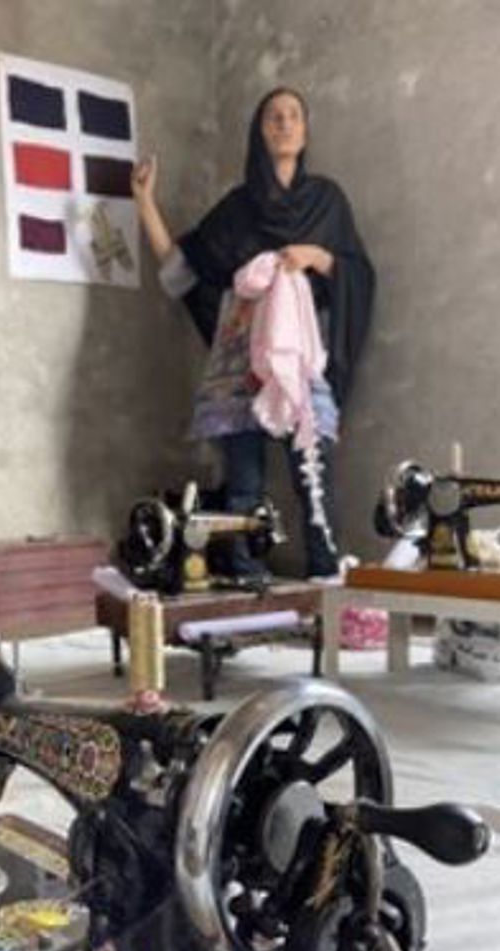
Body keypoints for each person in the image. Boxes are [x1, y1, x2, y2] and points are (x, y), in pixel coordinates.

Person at [132, 87, 375, 581]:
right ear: (259, 132)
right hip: (238, 362)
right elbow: (182, 271)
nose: (284, 124)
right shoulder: (236, 209)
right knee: (244, 486)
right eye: (273, 117)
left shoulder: (327, 201)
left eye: (293, 116)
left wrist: (315, 256)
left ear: (305, 131)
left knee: (314, 476)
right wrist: (145, 203)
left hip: (301, 357)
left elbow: (358, 274)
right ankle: (247, 582)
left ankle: (327, 583)